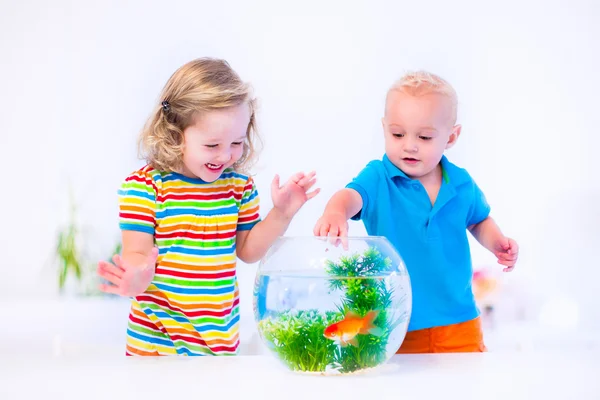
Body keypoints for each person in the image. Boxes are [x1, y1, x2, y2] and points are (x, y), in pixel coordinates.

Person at [97, 57, 319, 356]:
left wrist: (282, 213)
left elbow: (248, 251)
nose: (226, 155)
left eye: (237, 143)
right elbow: (136, 252)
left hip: (218, 347)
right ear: (176, 135)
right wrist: (137, 275)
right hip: (155, 346)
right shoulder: (146, 187)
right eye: (212, 145)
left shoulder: (238, 187)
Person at [313, 71, 518, 353]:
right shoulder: (379, 177)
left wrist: (497, 243)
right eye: (397, 134)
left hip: (459, 320)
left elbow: (479, 220)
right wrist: (335, 212)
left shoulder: (460, 183)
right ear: (384, 128)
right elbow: (350, 196)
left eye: (424, 137)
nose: (409, 145)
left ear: (452, 137)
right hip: (396, 322)